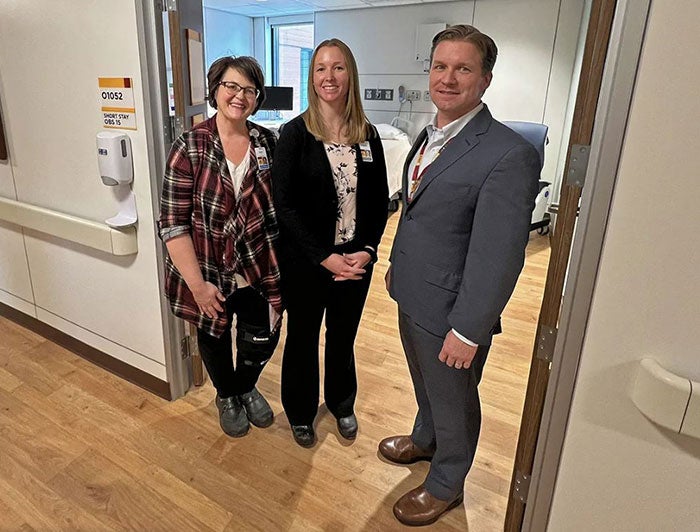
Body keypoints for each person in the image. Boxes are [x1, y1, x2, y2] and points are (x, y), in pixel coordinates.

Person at [381, 25, 540, 526]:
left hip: (452, 310)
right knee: (426, 387)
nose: (448, 78)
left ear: (485, 79)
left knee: (455, 402)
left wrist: (469, 328)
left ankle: (447, 482)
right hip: (413, 294)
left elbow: (499, 254)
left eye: (463, 68)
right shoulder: (432, 135)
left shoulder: (508, 153)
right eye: (439, 66)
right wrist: (396, 271)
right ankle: (425, 439)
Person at [271, 39, 389, 448]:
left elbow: (379, 202)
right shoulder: (295, 134)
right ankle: (301, 411)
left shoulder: (368, 135)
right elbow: (283, 206)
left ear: (350, 74)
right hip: (307, 262)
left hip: (356, 260)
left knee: (343, 336)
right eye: (321, 68)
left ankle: (341, 403)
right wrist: (324, 257)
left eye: (338, 68)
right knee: (303, 337)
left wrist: (368, 250)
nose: (329, 77)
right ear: (311, 77)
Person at [158, 56, 282, 438]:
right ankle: (227, 394)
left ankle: (245, 383)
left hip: (258, 268)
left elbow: (280, 210)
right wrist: (196, 285)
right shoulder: (190, 146)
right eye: (231, 86)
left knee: (261, 338)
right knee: (212, 336)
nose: (239, 96)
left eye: (249, 89)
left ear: (258, 97)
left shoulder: (268, 142)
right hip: (207, 272)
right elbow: (173, 224)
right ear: (215, 90)